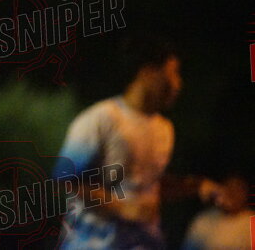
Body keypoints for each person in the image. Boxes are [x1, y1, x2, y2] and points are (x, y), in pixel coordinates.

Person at [52, 35, 222, 249]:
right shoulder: (101, 118)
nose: (178, 84)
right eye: (173, 73)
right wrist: (120, 207)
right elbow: (65, 179)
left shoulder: (164, 128)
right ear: (148, 72)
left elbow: (148, 184)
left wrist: (196, 186)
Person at [182, 175, 254, 250]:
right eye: (228, 189)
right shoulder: (204, 219)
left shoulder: (252, 221)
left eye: (238, 190)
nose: (232, 194)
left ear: (246, 194)